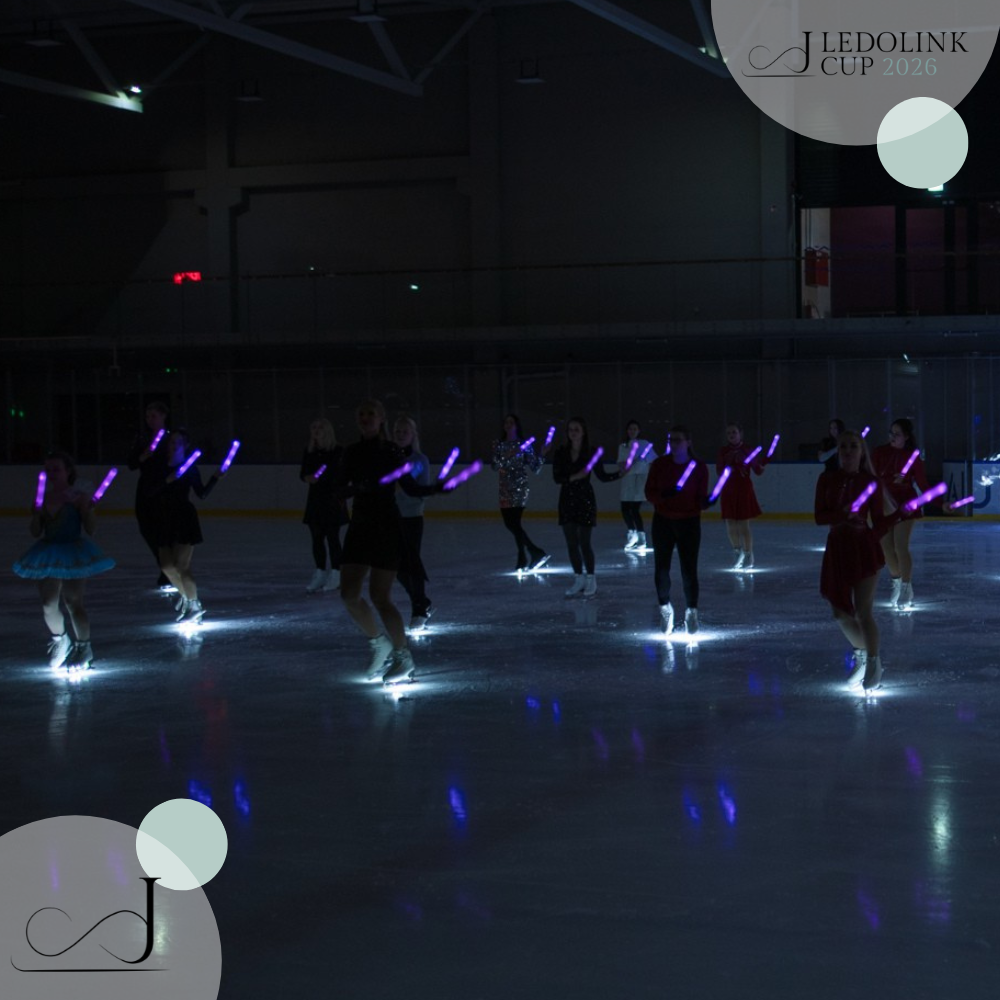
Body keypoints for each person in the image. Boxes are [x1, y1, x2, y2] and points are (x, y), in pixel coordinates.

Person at [335, 400, 443, 685]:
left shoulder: (391, 451)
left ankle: (403, 656)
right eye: (362, 413)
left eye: (371, 413)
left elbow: (409, 487)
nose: (366, 417)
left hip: (386, 526)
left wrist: (436, 488)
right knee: (348, 593)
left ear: (381, 418)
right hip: (360, 527)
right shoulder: (352, 452)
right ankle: (378, 642)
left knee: (380, 597)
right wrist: (351, 489)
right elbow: (340, 486)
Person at [814, 429, 910, 691]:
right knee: (839, 612)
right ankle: (862, 656)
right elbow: (819, 517)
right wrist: (841, 515)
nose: (847, 451)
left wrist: (899, 514)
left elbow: (878, 526)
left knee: (863, 611)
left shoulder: (871, 482)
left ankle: (874, 662)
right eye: (843, 446)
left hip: (863, 547)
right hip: (837, 548)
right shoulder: (826, 479)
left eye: (853, 446)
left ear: (861, 451)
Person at [13, 452, 115, 671]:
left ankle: (84, 647)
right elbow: (35, 532)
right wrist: (36, 515)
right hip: (48, 551)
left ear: (68, 471)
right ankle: (61, 640)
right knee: (48, 605)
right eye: (48, 469)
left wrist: (87, 511)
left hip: (73, 552)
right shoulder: (44, 497)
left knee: (72, 602)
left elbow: (91, 529)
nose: (51, 474)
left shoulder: (78, 496)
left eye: (56, 469)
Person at [870, 418, 942, 609]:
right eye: (891, 433)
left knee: (900, 546)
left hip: (905, 504)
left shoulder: (913, 457)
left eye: (897, 434)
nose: (892, 437)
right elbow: (871, 477)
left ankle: (906, 586)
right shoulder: (879, 452)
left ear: (906, 437)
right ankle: (896, 580)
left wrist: (941, 504)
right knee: (886, 549)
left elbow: (923, 485)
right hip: (884, 503)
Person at [644, 426, 711, 635]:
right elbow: (649, 493)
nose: (673, 444)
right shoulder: (659, 465)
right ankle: (665, 608)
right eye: (671, 440)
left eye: (678, 440)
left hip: (689, 523)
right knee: (661, 570)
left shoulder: (699, 467)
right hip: (663, 522)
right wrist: (665, 495)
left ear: (688, 442)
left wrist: (707, 501)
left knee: (688, 570)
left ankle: (692, 611)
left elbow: (700, 499)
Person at [154, 429, 224, 625]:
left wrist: (216, 477)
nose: (174, 445)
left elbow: (201, 493)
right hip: (164, 517)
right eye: (172, 442)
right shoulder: (160, 466)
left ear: (185, 446)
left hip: (184, 517)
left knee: (181, 566)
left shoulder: (191, 468)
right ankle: (188, 598)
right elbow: (150, 490)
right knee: (167, 566)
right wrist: (168, 480)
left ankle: (193, 604)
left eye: (179, 442)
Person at [552, 418, 623, 597]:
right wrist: (576, 476)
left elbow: (602, 477)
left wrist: (622, 473)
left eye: (576, 429)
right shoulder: (561, 452)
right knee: (571, 543)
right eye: (570, 429)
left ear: (583, 432)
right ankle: (579, 578)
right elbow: (557, 478)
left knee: (584, 542)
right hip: (567, 499)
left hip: (585, 499)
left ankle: (591, 579)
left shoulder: (591, 453)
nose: (573, 432)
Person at [491, 413, 550, 573]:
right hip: (504, 488)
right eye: (506, 422)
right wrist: (497, 453)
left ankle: (522, 556)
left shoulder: (524, 444)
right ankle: (534, 551)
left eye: (511, 422)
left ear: (517, 426)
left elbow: (535, 468)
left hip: (519, 488)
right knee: (510, 524)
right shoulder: (499, 444)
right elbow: (495, 467)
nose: (508, 425)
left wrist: (543, 454)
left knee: (514, 523)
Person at [392, 414, 434, 631]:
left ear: (412, 435)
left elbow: (423, 492)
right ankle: (421, 600)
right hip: (391, 518)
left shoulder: (420, 460)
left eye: (404, 432)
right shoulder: (388, 458)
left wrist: (406, 489)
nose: (400, 435)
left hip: (412, 517)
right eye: (397, 431)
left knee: (411, 564)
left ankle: (419, 607)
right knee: (396, 566)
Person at [126, 400, 171, 589]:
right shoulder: (142, 439)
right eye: (147, 416)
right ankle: (163, 565)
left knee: (163, 528)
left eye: (153, 416)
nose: (149, 419)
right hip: (145, 488)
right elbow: (131, 464)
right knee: (146, 527)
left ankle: (167, 569)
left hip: (163, 487)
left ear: (163, 416)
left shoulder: (171, 438)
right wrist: (142, 457)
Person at [300, 418, 348, 594]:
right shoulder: (310, 451)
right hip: (315, 500)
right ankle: (320, 571)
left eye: (320, 427)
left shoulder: (337, 451)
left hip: (333, 500)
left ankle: (336, 573)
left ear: (328, 431)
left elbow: (341, 474)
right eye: (313, 427)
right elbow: (302, 473)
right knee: (316, 537)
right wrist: (308, 478)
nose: (316, 430)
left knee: (332, 538)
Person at [716, 422, 766, 569]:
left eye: (734, 432)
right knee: (730, 522)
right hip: (728, 489)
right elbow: (719, 471)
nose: (731, 435)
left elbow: (757, 470)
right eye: (729, 433)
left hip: (743, 488)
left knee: (744, 524)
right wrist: (728, 464)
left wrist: (760, 466)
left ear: (740, 434)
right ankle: (738, 552)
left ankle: (749, 553)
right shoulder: (723, 451)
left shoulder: (747, 450)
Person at [617, 419, 655, 552]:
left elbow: (652, 462)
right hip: (627, 479)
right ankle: (632, 534)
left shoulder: (644, 444)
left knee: (634, 509)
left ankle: (641, 539)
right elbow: (620, 463)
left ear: (639, 431)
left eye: (635, 429)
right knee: (625, 509)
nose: (632, 431)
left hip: (640, 479)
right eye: (630, 429)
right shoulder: (623, 446)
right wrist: (629, 464)